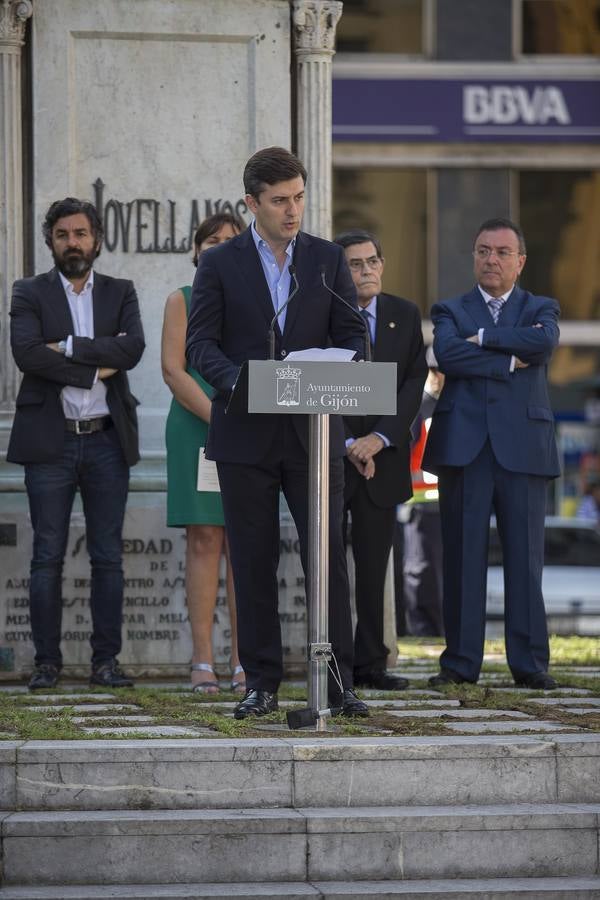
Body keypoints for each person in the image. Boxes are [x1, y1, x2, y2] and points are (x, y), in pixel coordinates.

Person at [186, 146, 368, 719]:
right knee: (253, 558)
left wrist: (337, 366)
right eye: (280, 201)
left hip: (312, 437)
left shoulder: (325, 259)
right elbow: (200, 347)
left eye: (299, 198)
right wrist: (243, 382)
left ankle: (339, 680)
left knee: (328, 561)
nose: (293, 211)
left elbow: (352, 335)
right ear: (251, 203)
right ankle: (261, 682)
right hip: (244, 433)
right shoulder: (219, 264)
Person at [8, 197, 145, 690]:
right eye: (63, 234)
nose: (73, 242)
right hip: (51, 444)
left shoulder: (120, 291)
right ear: (51, 241)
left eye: (81, 233)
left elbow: (132, 349)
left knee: (108, 555)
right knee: (47, 555)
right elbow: (26, 354)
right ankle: (48, 663)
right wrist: (95, 366)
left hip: (107, 441)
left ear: (97, 239)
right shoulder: (28, 292)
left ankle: (105, 663)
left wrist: (64, 348)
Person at [423, 217, 560, 690]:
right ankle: (460, 664)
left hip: (523, 448)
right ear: (474, 256)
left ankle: (530, 663)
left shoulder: (541, 307)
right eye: (483, 251)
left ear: (520, 261)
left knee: (526, 560)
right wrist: (506, 359)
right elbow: (446, 354)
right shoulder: (449, 309)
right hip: (466, 448)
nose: (491, 259)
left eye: (502, 252)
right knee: (462, 558)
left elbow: (542, 343)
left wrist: (480, 340)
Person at [334, 229, 427, 690]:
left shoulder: (404, 315)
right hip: (333, 460)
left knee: (374, 569)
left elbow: (414, 384)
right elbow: (314, 379)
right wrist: (350, 442)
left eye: (372, 261)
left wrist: (379, 438)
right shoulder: (323, 315)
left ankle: (371, 663)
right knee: (330, 567)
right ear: (339, 270)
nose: (366, 270)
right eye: (354, 263)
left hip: (382, 460)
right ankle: (334, 666)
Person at [161, 213, 245, 693]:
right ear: (196, 251)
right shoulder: (182, 299)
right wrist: (223, 420)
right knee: (204, 540)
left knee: (243, 543)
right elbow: (175, 372)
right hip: (198, 429)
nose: (219, 247)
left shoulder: (251, 303)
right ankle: (202, 659)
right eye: (211, 241)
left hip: (247, 432)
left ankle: (241, 660)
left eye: (230, 241)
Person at [402, 346, 445, 637]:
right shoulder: (418, 407)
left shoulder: (445, 406)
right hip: (418, 506)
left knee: (437, 573)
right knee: (419, 572)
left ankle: (436, 628)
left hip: (442, 506)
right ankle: (422, 629)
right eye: (434, 372)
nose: (438, 378)